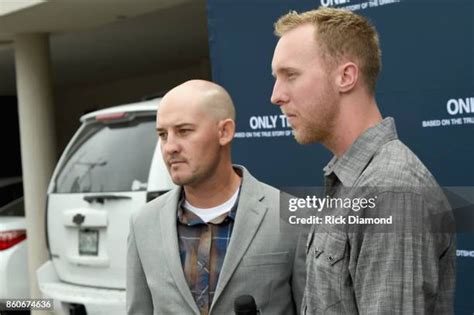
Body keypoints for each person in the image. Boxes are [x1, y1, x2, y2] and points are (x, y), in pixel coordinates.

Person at [271, 7, 456, 314]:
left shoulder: (390, 192)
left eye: (290, 75)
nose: (276, 95)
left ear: (346, 77)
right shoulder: (356, 180)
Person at [127, 79, 306, 315]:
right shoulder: (143, 224)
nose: (170, 147)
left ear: (224, 132)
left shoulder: (290, 215)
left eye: (183, 131)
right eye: (162, 134)